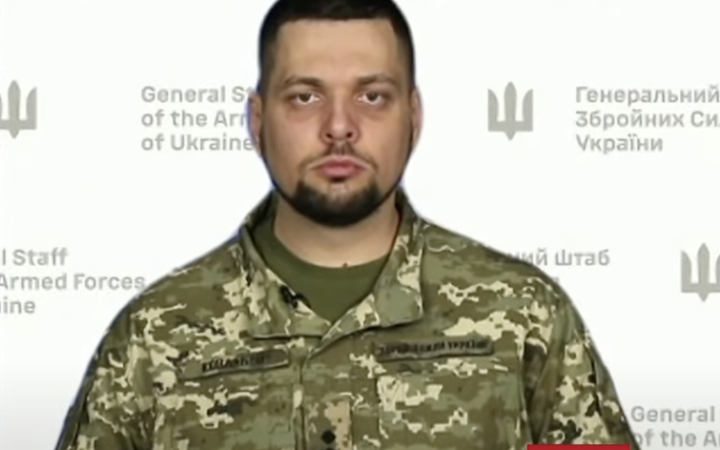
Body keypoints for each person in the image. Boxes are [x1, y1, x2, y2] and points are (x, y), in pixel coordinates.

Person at [54, 0, 640, 449]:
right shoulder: (153, 336)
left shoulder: (524, 317)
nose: (339, 126)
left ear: (413, 117)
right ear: (257, 121)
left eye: (372, 96)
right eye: (305, 97)